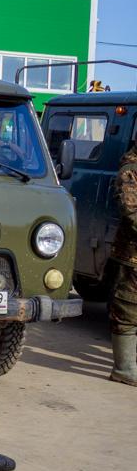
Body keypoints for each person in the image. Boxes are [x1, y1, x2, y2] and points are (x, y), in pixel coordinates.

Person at [108, 141, 137, 387]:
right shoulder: (131, 168)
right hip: (132, 254)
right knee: (128, 308)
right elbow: (131, 211)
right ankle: (124, 368)